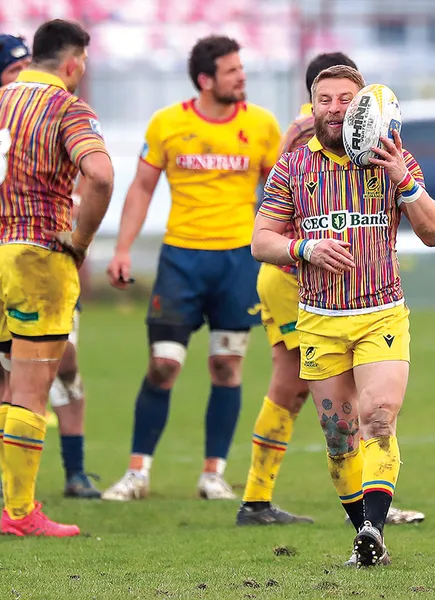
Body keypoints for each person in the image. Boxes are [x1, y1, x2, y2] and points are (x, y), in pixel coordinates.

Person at [252, 65, 435, 566]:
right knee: (340, 438)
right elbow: (261, 241)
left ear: (363, 107)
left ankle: (371, 531)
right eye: (325, 99)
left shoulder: (392, 157)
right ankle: (364, 529)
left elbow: (434, 231)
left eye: (346, 100)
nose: (335, 109)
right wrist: (305, 247)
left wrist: (403, 180)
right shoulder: (292, 167)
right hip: (318, 319)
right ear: (311, 106)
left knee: (378, 419)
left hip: (381, 313)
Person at [0, 18, 113, 537]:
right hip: (38, 256)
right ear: (73, 61)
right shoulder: (67, 107)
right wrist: (78, 243)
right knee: (34, 389)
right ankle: (19, 513)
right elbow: (100, 176)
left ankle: (19, 504)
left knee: (16, 382)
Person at [104, 35, 281, 501]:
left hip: (239, 262)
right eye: (232, 70)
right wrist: (122, 250)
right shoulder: (168, 123)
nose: (242, 76)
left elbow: (282, 195)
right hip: (181, 260)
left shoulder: (262, 125)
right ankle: (137, 473)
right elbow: (141, 188)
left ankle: (213, 474)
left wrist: (289, 251)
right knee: (163, 366)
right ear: (206, 80)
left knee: (226, 366)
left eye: (242, 68)